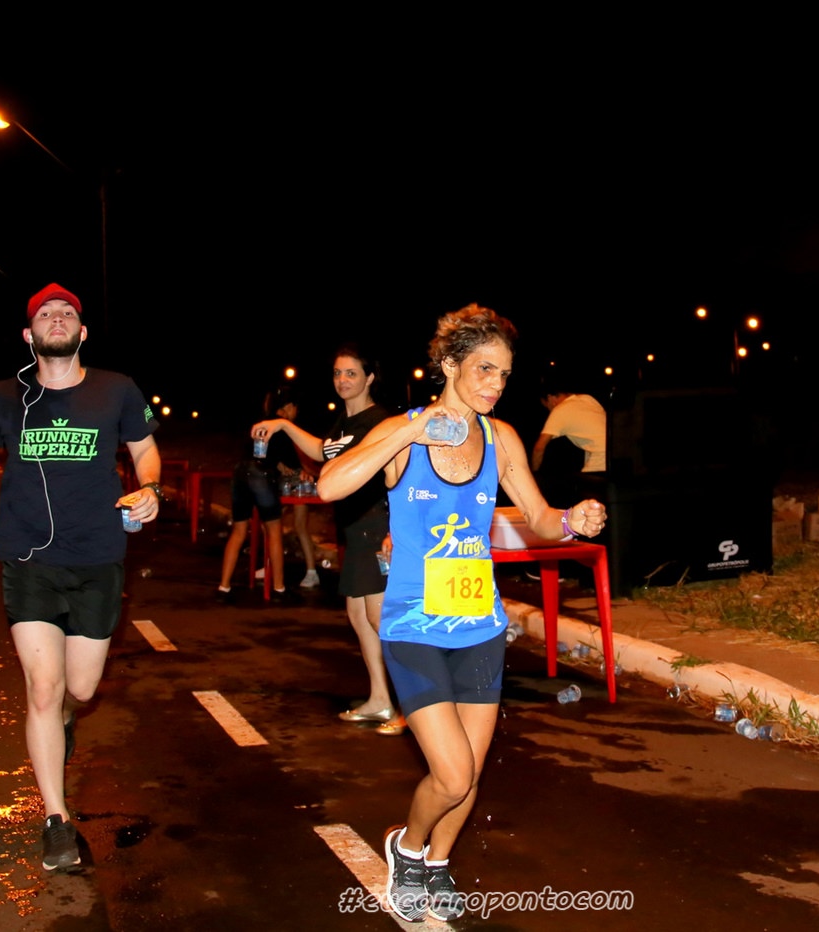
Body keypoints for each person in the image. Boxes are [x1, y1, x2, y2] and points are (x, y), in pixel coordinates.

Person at [317, 305, 606, 922]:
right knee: (450, 775)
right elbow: (330, 486)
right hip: (414, 626)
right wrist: (409, 433)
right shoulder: (403, 431)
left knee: (469, 774)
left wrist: (571, 520)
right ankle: (408, 848)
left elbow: (539, 518)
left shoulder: (501, 439)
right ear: (449, 364)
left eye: (504, 374)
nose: (495, 385)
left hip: (479, 627)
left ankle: (438, 863)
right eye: (483, 370)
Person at [0, 283, 161, 872]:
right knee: (43, 686)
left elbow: (144, 448)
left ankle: (63, 716)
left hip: (97, 557)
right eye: (46, 313)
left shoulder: (116, 388)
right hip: (28, 559)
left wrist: (151, 487)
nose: (57, 319)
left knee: (79, 690)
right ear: (29, 334)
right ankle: (56, 821)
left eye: (67, 313)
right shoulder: (2, 396)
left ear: (82, 332)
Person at [251, 345, 401, 733]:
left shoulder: (381, 422)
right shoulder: (344, 422)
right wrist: (284, 426)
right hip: (353, 530)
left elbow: (400, 476)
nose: (342, 380)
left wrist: (394, 531)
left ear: (369, 378)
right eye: (337, 373)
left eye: (351, 373)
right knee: (359, 617)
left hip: (377, 527)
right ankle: (381, 701)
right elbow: (323, 451)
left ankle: (414, 707)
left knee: (380, 619)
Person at [216, 387, 309, 603]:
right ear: (288, 407)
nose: (296, 413)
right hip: (261, 476)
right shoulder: (282, 425)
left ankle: (223, 587)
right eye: (295, 409)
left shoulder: (260, 422)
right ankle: (279, 589)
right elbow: (294, 462)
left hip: (240, 472)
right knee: (274, 531)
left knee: (239, 531)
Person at [531, 379, 607, 505]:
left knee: (584, 501)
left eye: (547, 406)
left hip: (600, 459)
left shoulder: (560, 410)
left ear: (550, 398)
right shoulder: (588, 399)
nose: (549, 410)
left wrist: (534, 475)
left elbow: (539, 448)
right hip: (614, 455)